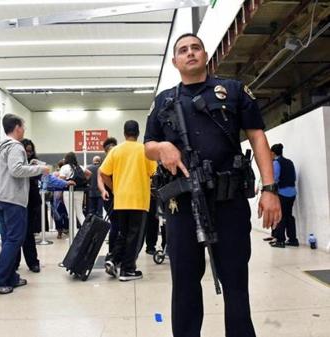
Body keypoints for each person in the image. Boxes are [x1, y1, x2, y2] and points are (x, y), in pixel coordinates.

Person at [143, 33, 281, 337]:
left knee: (235, 281)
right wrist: (162, 148)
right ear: (175, 61)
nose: (190, 53)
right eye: (183, 50)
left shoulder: (233, 91)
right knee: (185, 283)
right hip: (182, 206)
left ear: (206, 55)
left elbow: (257, 136)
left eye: (196, 48)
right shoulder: (164, 100)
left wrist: (270, 189)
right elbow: (147, 145)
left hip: (228, 201)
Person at [0, 114, 49, 295]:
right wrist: (40, 169)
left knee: (8, 238)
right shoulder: (15, 147)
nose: (24, 130)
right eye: (23, 126)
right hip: (12, 199)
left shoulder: (0, 146)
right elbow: (16, 170)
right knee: (15, 239)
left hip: (0, 197)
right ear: (17, 127)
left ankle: (10, 275)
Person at [100, 120, 156, 281]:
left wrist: (115, 188)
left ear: (124, 133)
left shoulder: (116, 151)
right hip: (139, 199)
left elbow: (103, 173)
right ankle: (128, 270)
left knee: (123, 234)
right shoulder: (144, 150)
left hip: (121, 199)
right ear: (138, 133)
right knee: (135, 236)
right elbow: (153, 172)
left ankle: (113, 259)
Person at [18, 138, 42, 273]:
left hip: (31, 201)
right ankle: (14, 263)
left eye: (30, 151)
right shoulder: (16, 162)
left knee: (28, 234)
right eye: (26, 151)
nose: (28, 153)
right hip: (17, 201)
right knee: (15, 235)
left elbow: (43, 177)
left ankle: (33, 262)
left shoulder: (35, 163)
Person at [270, 143, 298, 248]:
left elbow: (275, 179)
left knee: (280, 216)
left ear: (272, 153)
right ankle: (293, 239)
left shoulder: (276, 163)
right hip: (292, 193)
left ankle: (280, 240)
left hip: (282, 193)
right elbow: (294, 176)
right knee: (289, 216)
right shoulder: (290, 162)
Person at [98, 137, 118, 258]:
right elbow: (100, 179)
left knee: (121, 225)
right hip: (110, 197)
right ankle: (112, 252)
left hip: (121, 196)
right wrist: (104, 190)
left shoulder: (119, 161)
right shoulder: (104, 163)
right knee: (115, 224)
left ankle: (119, 252)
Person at [59, 152, 92, 227]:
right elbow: (89, 173)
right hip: (80, 191)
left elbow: (61, 181)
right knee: (80, 213)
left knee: (71, 214)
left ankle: (73, 236)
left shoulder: (64, 167)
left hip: (68, 192)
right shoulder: (79, 167)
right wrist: (85, 181)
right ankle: (87, 233)